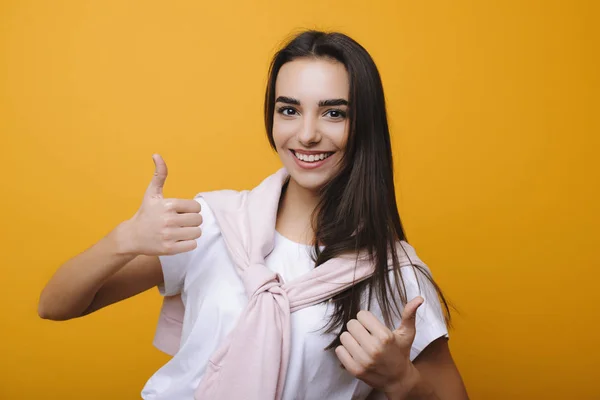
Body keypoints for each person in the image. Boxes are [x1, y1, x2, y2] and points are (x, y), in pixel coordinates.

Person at [38, 30, 469, 399]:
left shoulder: (395, 274)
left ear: (365, 126)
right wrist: (125, 239)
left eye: (334, 112)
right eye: (289, 110)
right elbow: (55, 306)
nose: (307, 133)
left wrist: (403, 380)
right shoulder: (213, 223)